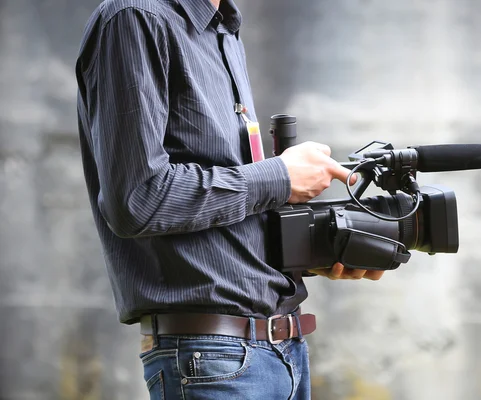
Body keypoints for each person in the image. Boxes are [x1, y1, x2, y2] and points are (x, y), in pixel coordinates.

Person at [76, 0, 384, 398]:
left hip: (281, 352)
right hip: (214, 359)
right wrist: (280, 176)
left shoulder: (222, 27)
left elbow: (220, 201)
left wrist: (317, 251)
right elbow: (138, 199)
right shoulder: (137, 16)